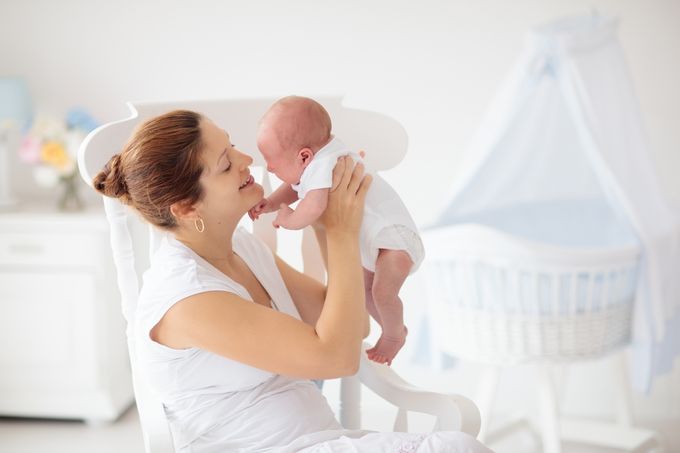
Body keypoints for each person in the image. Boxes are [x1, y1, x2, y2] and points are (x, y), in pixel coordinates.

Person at [93, 110, 490, 453]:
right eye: (227, 164)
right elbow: (337, 358)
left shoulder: (241, 248)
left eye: (232, 146)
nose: (247, 159)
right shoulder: (188, 299)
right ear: (185, 207)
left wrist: (323, 216)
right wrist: (341, 232)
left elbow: (352, 328)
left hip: (318, 441)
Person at [250, 96, 423, 365]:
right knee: (365, 293)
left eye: (270, 160)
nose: (269, 167)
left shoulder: (327, 163)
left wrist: (288, 218)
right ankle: (392, 329)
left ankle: (394, 334)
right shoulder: (316, 164)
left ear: (304, 156)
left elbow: (314, 204)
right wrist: (272, 203)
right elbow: (297, 187)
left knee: (381, 293)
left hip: (394, 240)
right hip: (374, 246)